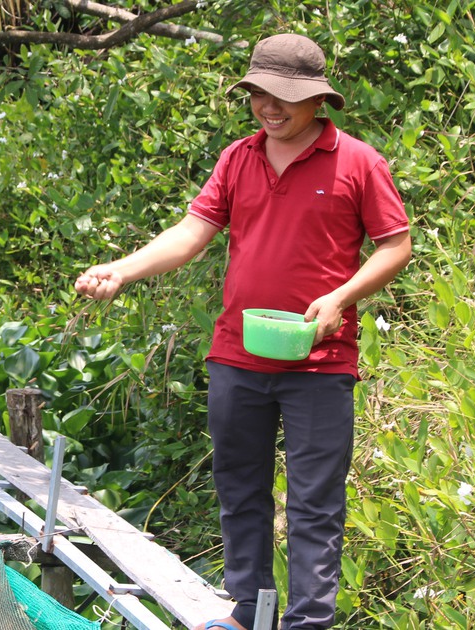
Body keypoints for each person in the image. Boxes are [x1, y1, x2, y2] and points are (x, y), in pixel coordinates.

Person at [74, 33, 411, 630]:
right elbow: (192, 233)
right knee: (240, 489)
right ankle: (250, 616)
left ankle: (308, 623)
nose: (269, 107)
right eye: (258, 93)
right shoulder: (238, 157)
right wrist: (120, 270)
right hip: (237, 355)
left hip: (321, 362)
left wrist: (340, 297)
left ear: (317, 101)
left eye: (283, 96)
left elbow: (395, 245)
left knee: (314, 502)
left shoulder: (358, 161)